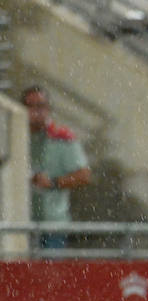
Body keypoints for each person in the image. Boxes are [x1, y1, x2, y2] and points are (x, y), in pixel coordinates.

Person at [22, 86, 92, 250]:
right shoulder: (14, 135)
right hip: (20, 222)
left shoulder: (62, 138)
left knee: (51, 273)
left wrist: (53, 182)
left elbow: (84, 175)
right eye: (30, 106)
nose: (35, 111)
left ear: (48, 109)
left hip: (52, 225)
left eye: (40, 106)